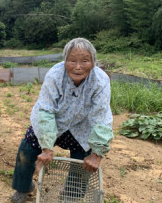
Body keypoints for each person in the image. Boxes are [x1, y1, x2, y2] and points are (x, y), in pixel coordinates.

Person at [11, 38, 114, 202]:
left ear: (93, 63)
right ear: (65, 61)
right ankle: (24, 188)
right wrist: (46, 147)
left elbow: (100, 117)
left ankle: (70, 196)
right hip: (53, 122)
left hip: (83, 125)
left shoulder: (100, 81)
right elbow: (46, 111)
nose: (78, 67)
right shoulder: (55, 75)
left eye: (85, 61)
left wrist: (97, 153)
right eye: (72, 60)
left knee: (83, 164)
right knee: (27, 150)